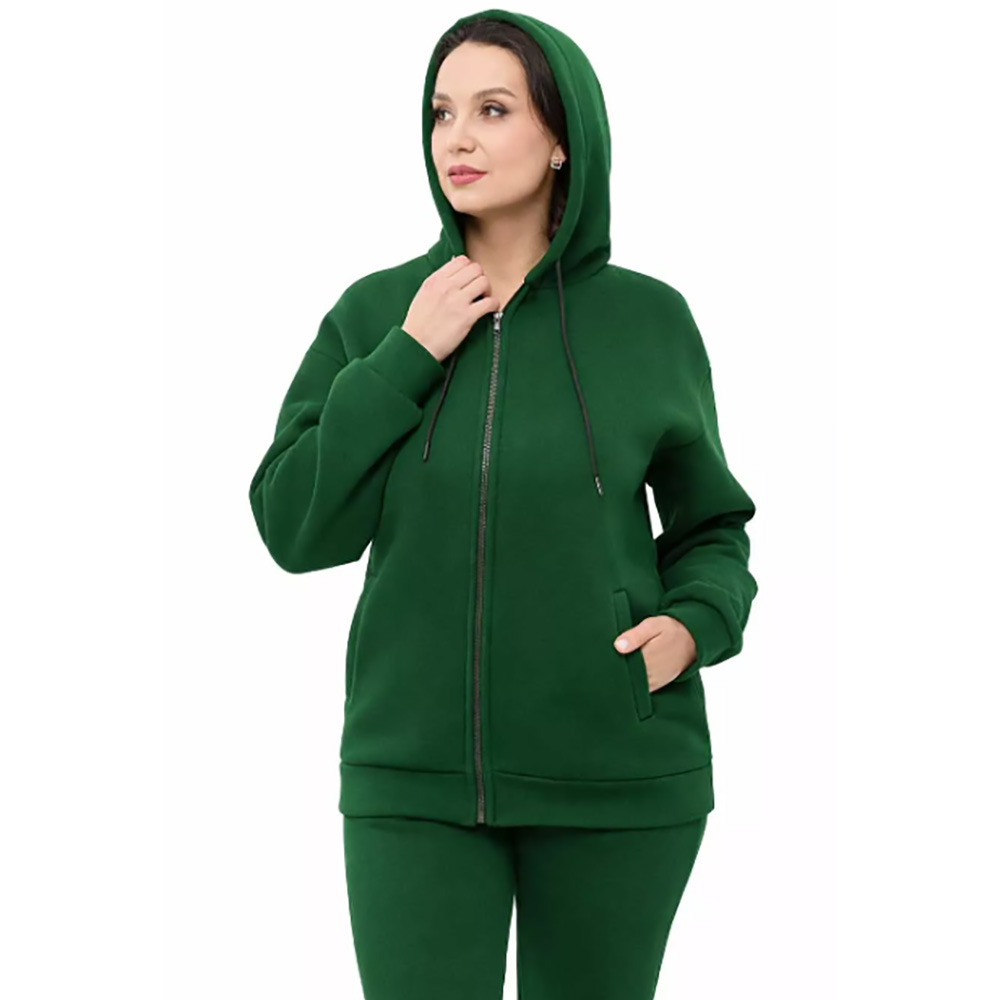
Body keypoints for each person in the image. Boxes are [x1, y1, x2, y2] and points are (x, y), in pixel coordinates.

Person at [248, 9, 758, 999]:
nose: (459, 137)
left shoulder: (649, 321)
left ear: (562, 136)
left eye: (492, 109)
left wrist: (693, 627)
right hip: (413, 782)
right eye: (442, 112)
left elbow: (711, 526)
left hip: (616, 776)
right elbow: (296, 527)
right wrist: (408, 353)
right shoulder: (377, 312)